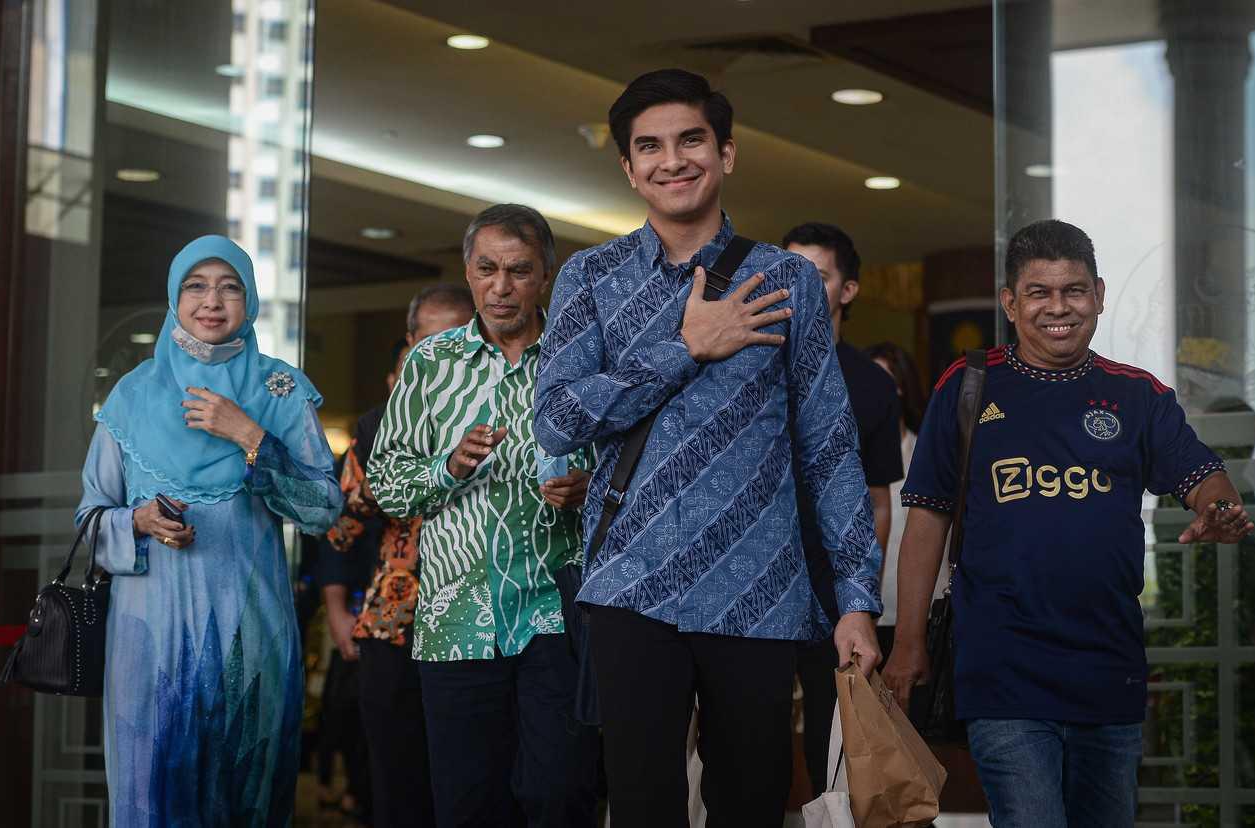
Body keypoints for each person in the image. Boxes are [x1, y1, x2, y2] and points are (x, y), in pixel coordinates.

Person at [533, 68, 882, 828]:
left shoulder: (786, 280)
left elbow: (829, 447)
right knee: (643, 808)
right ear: (629, 169)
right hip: (631, 586)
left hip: (758, 590)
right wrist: (686, 347)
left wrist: (857, 599)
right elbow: (555, 421)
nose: (672, 160)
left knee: (752, 805)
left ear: (726, 153)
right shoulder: (590, 278)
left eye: (690, 140)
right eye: (649, 147)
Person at [884, 219, 1255, 828]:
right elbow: (927, 518)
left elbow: (1201, 476)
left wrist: (1218, 510)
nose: (1058, 307)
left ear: (1099, 296)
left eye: (1074, 290)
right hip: (1003, 669)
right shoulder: (971, 383)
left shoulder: (1137, 395)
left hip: (1108, 671)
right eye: (1039, 292)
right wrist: (908, 643)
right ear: (1010, 303)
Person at [76, 235, 343, 826]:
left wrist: (249, 435)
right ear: (175, 297)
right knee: (153, 793)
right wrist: (137, 520)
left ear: (250, 300)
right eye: (195, 286)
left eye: (230, 287)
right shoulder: (132, 395)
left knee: (245, 792)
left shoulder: (280, 390)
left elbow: (324, 509)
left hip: (251, 633)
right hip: (149, 637)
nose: (212, 301)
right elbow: (91, 518)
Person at [369, 205, 599, 828]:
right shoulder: (428, 364)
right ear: (468, 272)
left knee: (561, 794)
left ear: (545, 276)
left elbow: (630, 472)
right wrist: (448, 468)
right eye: (487, 269)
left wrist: (590, 488)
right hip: (456, 618)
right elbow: (387, 485)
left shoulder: (582, 358)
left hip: (557, 612)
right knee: (468, 806)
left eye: (519, 271)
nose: (502, 287)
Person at [322, 286, 474, 828]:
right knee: (395, 780)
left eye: (458, 339)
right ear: (411, 344)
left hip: (477, 621)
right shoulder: (375, 426)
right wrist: (338, 611)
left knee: (471, 781)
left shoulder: (496, 413)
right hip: (393, 624)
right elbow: (340, 532)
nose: (444, 353)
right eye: (431, 340)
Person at [782, 222, 904, 797]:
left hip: (832, 592)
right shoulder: (746, 364)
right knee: (747, 747)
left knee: (830, 748)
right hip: (752, 585)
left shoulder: (872, 386)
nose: (798, 288)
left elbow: (879, 502)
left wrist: (861, 601)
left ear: (847, 290)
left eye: (817, 276)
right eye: (788, 273)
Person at [864, 341, 935, 644]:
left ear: (902, 388)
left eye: (883, 381)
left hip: (923, 612)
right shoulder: (844, 462)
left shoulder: (929, 453)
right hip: (863, 614)